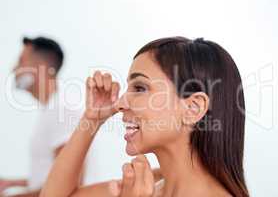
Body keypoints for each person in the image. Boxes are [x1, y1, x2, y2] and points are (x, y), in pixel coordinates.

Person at [40, 36, 249, 197]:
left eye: (140, 87)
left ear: (193, 108)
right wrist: (92, 119)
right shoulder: (147, 186)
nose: (120, 103)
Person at [0, 37, 81, 197]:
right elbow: (54, 177)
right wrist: (12, 183)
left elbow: (69, 185)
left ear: (41, 67)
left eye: (21, 61)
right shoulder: (54, 109)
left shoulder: (61, 110)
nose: (14, 68)